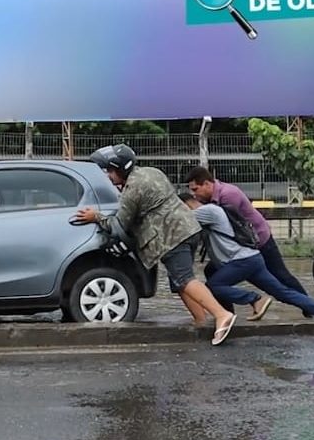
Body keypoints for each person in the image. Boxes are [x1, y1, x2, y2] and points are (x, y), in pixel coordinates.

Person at [73, 144, 237, 345]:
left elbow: (118, 226)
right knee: (178, 282)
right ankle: (201, 322)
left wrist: (96, 216)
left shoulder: (133, 189)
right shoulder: (151, 172)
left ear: (121, 169)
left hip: (171, 236)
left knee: (185, 279)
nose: (108, 176)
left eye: (111, 171)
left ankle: (221, 315)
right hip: (188, 227)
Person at [179, 191, 314, 319]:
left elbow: (178, 219)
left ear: (187, 205)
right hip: (251, 259)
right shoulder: (211, 210)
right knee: (284, 293)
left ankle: (254, 299)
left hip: (241, 261)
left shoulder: (206, 211)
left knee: (213, 287)